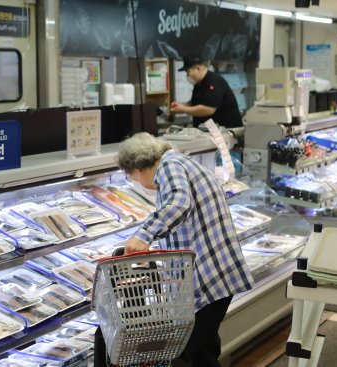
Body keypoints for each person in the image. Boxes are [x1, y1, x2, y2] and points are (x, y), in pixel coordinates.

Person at [116, 132, 254, 367]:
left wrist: (144, 235)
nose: (137, 182)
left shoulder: (169, 167)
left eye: (132, 177)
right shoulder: (180, 163)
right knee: (198, 349)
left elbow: (179, 202)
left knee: (198, 351)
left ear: (138, 168)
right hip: (214, 274)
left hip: (209, 277)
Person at [170, 55, 243, 128]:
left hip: (227, 131)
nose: (187, 75)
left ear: (198, 68)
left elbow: (208, 109)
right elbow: (195, 103)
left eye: (188, 72)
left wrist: (183, 109)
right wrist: (181, 105)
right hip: (209, 131)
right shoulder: (198, 84)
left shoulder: (213, 82)